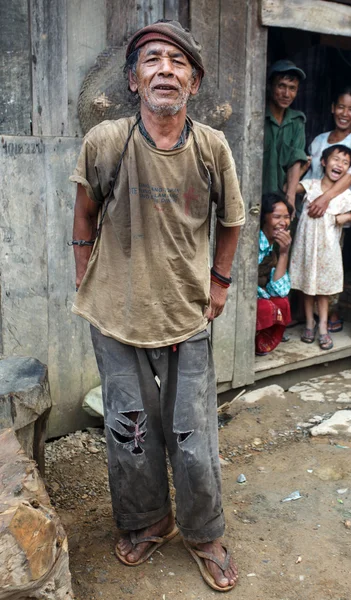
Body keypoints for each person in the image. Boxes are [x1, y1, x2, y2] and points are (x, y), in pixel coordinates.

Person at [69, 20, 245, 592]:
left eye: (177, 62)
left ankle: (204, 532)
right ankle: (148, 523)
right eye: (152, 60)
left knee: (194, 438)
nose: (165, 69)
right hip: (116, 317)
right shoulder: (105, 142)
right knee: (130, 431)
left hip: (187, 316)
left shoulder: (211, 147)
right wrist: (85, 282)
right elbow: (84, 215)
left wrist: (218, 285)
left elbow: (233, 220)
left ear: (193, 83)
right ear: (132, 80)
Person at [290, 144, 351, 350]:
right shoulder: (311, 185)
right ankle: (309, 323)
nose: (340, 164)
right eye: (336, 159)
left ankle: (322, 326)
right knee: (307, 287)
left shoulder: (343, 195)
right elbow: (290, 189)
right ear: (323, 162)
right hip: (307, 249)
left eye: (345, 163)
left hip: (326, 251)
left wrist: (344, 217)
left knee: (323, 291)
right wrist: (302, 168)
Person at [302, 86, 351, 332]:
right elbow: (307, 167)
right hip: (309, 213)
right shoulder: (319, 140)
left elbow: (350, 176)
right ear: (332, 108)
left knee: (332, 264)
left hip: (336, 214)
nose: (344, 113)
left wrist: (325, 199)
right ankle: (306, 314)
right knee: (307, 260)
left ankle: (331, 311)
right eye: (341, 106)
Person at [262, 59, 308, 214]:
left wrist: (290, 199)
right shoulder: (258, 117)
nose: (286, 94)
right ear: (270, 86)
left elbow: (295, 162)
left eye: (292, 88)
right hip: (255, 194)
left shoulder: (297, 122)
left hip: (281, 198)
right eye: (281, 86)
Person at [256, 193, 293, 356]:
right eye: (277, 216)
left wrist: (284, 253)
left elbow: (279, 290)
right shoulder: (254, 241)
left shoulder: (273, 248)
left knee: (282, 302)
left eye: (286, 217)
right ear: (264, 218)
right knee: (266, 306)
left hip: (259, 293)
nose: (283, 222)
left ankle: (261, 343)